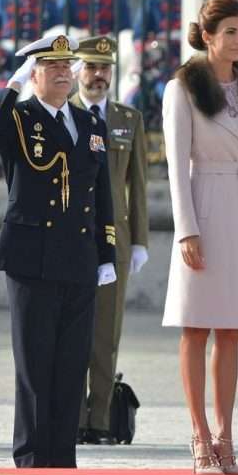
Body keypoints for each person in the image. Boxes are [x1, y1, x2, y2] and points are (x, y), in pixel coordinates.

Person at [0, 34, 116, 467]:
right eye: (50, 66)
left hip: (79, 257)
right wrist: (12, 86)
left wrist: (106, 252)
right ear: (33, 74)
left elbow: (102, 192)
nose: (61, 72)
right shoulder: (20, 118)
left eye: (65, 65)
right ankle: (33, 459)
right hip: (32, 257)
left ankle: (62, 459)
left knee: (71, 365)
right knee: (35, 366)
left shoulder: (89, 123)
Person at [162, 0, 238, 474]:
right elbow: (175, 166)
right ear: (207, 36)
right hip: (205, 210)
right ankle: (200, 436)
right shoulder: (183, 88)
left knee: (232, 329)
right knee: (197, 325)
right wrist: (186, 230)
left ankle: (226, 438)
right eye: (230, 31)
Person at [71, 35, 149, 445]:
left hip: (114, 239)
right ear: (77, 71)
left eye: (104, 68)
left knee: (106, 333)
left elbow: (138, 184)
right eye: (90, 67)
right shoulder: (63, 114)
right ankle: (70, 416)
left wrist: (140, 241)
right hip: (71, 237)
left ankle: (99, 420)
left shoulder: (127, 119)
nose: (98, 75)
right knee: (70, 332)